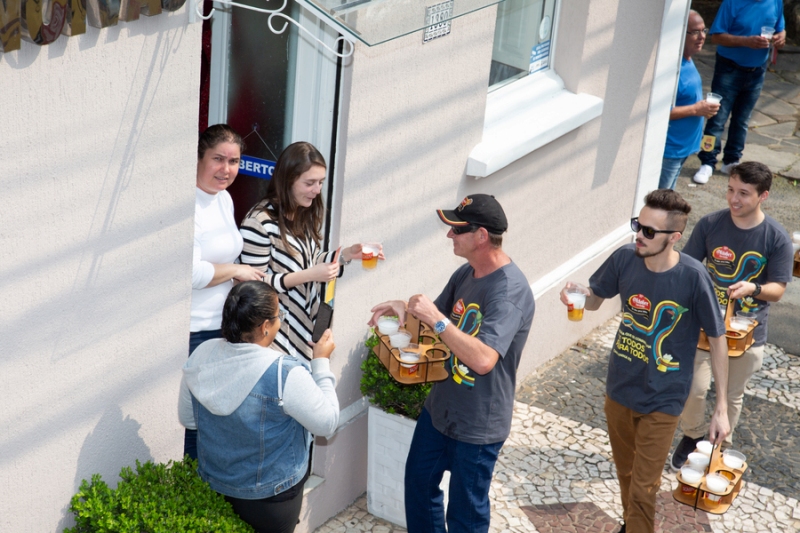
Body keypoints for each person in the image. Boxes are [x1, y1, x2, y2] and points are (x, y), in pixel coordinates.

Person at [560, 190, 730, 533]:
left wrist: (721, 407)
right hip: (619, 388)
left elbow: (717, 339)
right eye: (639, 225)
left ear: (674, 238)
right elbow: (595, 300)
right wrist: (580, 294)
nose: (639, 234)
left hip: (664, 398)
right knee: (626, 473)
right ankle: (632, 524)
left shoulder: (694, 277)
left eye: (649, 231)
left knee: (643, 486)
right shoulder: (625, 258)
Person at [369, 194, 535, 533]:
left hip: (478, 424)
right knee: (418, 485)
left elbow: (484, 359)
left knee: (466, 516)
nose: (449, 236)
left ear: (481, 236)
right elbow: (436, 321)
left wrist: (438, 320)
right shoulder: (467, 272)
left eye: (457, 230)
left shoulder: (509, 292)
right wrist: (404, 306)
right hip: (441, 409)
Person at [178, 281, 339, 533]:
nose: (279, 321)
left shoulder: (202, 353)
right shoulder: (283, 372)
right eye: (278, 316)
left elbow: (189, 419)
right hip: (271, 498)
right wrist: (321, 362)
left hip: (215, 486)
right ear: (265, 326)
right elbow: (328, 423)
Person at [670, 162, 794, 469]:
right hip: (702, 328)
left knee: (731, 397)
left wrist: (753, 288)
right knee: (693, 389)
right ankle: (692, 434)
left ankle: (716, 445)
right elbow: (687, 265)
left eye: (743, 193)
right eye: (730, 190)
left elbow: (777, 290)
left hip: (746, 334)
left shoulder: (776, 238)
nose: (734, 199)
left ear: (763, 196)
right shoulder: (710, 224)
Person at [239, 142, 379, 360]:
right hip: (272, 339)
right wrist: (308, 276)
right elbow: (250, 289)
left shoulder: (300, 212)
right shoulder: (259, 222)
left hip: (304, 331)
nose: (317, 190)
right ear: (288, 180)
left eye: (321, 182)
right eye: (310, 183)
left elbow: (309, 261)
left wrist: (347, 255)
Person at [187, 124, 267, 460]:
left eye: (234, 161)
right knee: (195, 419)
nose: (227, 169)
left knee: (215, 418)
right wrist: (236, 271)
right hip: (193, 330)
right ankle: (190, 486)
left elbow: (223, 257)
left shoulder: (224, 198)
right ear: (198, 158)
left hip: (221, 327)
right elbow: (191, 273)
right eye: (218, 159)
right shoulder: (190, 204)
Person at [693, 0, 785, 184]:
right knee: (716, 117)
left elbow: (780, 29)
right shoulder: (732, 3)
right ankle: (707, 162)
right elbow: (716, 37)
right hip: (729, 68)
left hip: (757, 70)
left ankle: (732, 161)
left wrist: (780, 37)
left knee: (742, 120)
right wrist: (746, 41)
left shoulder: (776, 2)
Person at [658, 10, 719, 190]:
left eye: (704, 30)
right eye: (694, 32)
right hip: (670, 151)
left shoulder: (688, 59)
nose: (702, 37)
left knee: (667, 199)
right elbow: (659, 113)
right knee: (660, 202)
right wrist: (696, 109)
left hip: (683, 149)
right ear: (680, 32)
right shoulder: (672, 69)